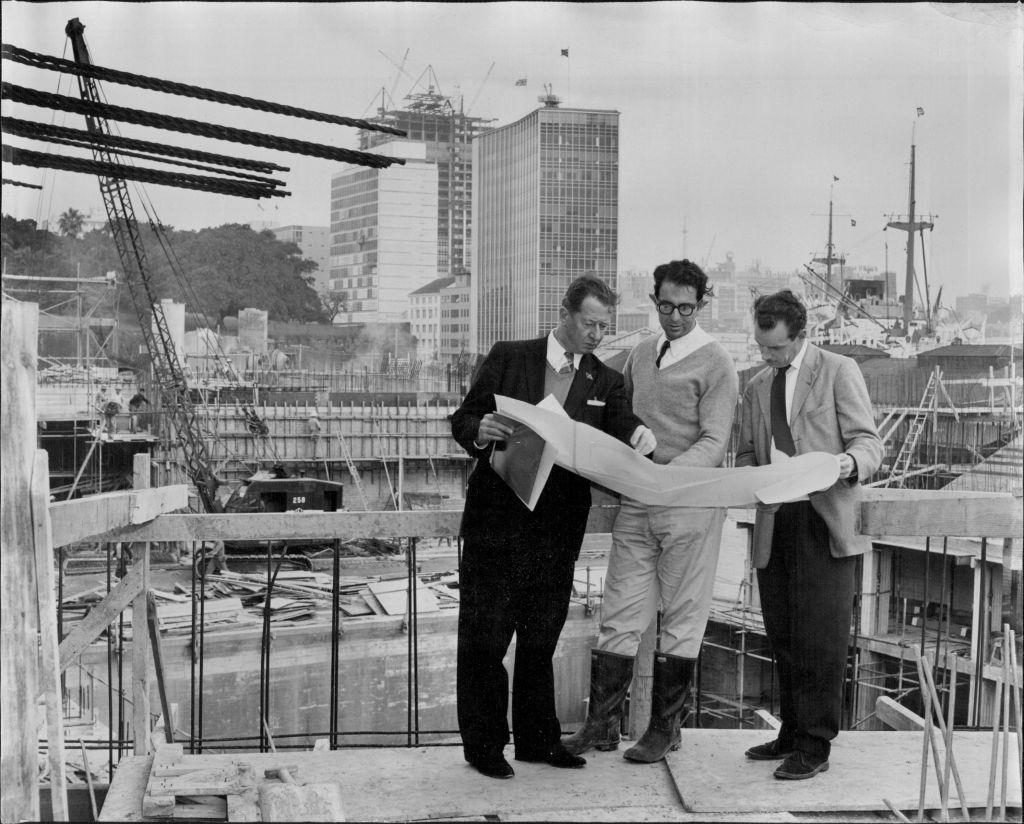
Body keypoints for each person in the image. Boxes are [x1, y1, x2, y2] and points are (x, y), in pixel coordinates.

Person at [450, 275, 657, 780]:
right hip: (497, 522)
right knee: (486, 637)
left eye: (604, 328)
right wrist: (480, 430)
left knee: (542, 638)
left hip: (556, 530)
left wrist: (639, 436)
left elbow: (621, 425)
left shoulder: (606, 380)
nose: (596, 335)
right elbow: (465, 416)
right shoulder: (508, 356)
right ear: (564, 314)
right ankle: (484, 747)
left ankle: (538, 742)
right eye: (589, 324)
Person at [563, 259, 738, 763]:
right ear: (654, 301)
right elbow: (619, 415)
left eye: (686, 307)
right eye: (666, 306)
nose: (675, 316)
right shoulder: (641, 353)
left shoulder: (717, 362)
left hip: (689, 506)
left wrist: (667, 478)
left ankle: (664, 729)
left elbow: (714, 440)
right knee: (619, 615)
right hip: (638, 504)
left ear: (701, 304)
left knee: (682, 618)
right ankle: (601, 727)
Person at [734, 289, 882, 780]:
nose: (766, 356)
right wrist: (751, 476)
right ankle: (792, 732)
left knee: (821, 638)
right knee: (784, 635)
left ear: (801, 336)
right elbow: (747, 454)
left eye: (775, 349)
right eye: (761, 346)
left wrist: (847, 462)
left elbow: (868, 442)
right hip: (776, 520)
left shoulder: (839, 371)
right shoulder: (756, 385)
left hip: (823, 520)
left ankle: (815, 746)